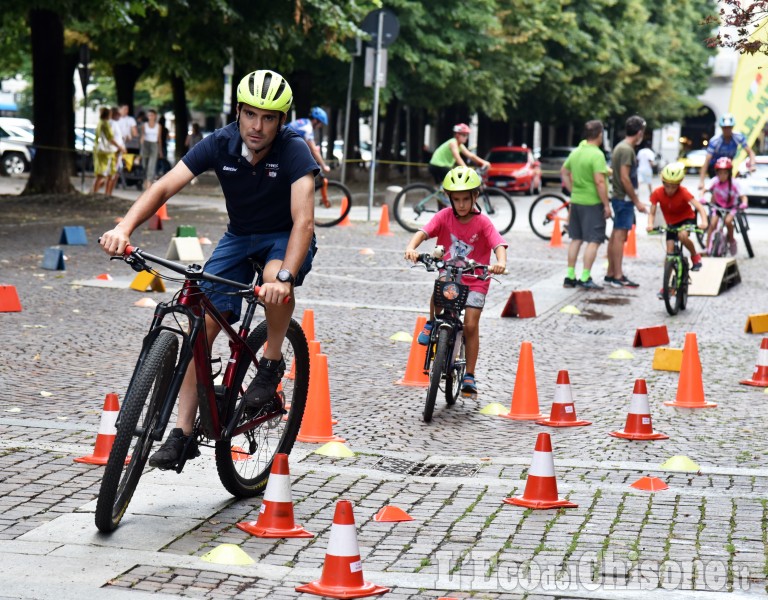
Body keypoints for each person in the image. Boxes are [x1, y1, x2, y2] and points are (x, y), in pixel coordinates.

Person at [99, 69, 318, 469]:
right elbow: (165, 185)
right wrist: (124, 227)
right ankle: (182, 433)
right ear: (238, 111)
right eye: (251, 114)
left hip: (283, 236)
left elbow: (303, 221)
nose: (258, 126)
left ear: (281, 120)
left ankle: (270, 362)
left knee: (273, 280)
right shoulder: (220, 142)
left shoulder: (294, 149)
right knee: (200, 324)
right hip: (239, 236)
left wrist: (285, 278)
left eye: (269, 118)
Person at [404, 166, 507, 397]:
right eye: (456, 199)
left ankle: (469, 375)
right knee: (440, 286)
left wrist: (500, 261)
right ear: (449, 198)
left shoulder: (483, 223)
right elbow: (423, 232)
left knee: (470, 323)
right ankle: (432, 322)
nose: (461, 204)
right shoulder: (444, 217)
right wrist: (412, 247)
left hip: (476, 278)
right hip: (450, 273)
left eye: (465, 199)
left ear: (475, 197)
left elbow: (498, 244)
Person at [560, 120, 612, 290]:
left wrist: (572, 189)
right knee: (594, 240)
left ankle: (570, 276)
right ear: (599, 135)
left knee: (576, 239)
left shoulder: (576, 152)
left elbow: (564, 171)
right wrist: (606, 205)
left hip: (576, 201)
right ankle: (585, 277)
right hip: (592, 202)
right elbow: (599, 181)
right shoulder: (597, 155)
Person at [647, 162, 708, 298]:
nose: (670, 190)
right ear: (663, 182)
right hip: (671, 223)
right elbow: (652, 212)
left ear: (679, 184)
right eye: (667, 186)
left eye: (674, 186)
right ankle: (666, 286)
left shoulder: (683, 192)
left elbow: (699, 207)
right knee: (669, 254)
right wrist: (650, 224)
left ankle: (695, 256)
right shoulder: (657, 193)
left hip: (686, 219)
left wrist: (704, 222)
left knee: (682, 236)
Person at [605, 115, 648, 288]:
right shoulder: (627, 150)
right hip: (623, 199)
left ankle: (611, 273)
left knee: (616, 235)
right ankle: (617, 275)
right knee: (619, 236)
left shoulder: (620, 147)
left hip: (619, 197)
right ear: (639, 133)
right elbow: (625, 177)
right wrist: (636, 201)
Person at [698, 113, 756, 190]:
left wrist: (752, 165)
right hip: (715, 168)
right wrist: (701, 181)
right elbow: (707, 161)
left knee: (731, 188)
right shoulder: (715, 140)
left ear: (732, 127)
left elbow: (750, 152)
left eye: (729, 127)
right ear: (721, 128)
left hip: (728, 167)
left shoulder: (738, 137)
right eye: (724, 128)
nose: (727, 130)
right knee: (716, 188)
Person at [703, 156, 747, 255]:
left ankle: (731, 240)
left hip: (731, 207)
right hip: (718, 206)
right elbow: (704, 190)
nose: (722, 175)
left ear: (729, 173)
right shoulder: (715, 181)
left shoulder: (735, 183)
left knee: (728, 222)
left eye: (725, 173)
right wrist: (702, 197)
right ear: (717, 172)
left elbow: (743, 196)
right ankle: (707, 247)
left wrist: (744, 203)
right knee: (712, 224)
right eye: (720, 173)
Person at [285, 107, 332, 173]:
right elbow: (314, 150)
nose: (320, 126)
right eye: (321, 123)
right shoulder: (308, 128)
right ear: (316, 120)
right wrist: (324, 166)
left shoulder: (304, 121)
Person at [92, 107, 125, 195]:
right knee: (104, 174)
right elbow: (110, 138)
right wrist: (120, 147)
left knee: (107, 174)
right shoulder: (106, 124)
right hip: (107, 152)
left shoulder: (101, 123)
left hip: (103, 151)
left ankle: (100, 193)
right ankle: (99, 192)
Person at [140, 109, 164, 189]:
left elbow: (159, 138)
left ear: (155, 116)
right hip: (146, 144)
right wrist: (141, 144)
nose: (150, 117)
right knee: (144, 164)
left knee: (151, 165)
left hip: (154, 145)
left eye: (152, 115)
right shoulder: (144, 125)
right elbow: (142, 136)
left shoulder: (158, 126)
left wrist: (160, 151)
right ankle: (145, 181)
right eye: (149, 115)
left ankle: (148, 185)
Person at [105, 106, 125, 197]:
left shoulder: (115, 123)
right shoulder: (111, 123)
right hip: (114, 151)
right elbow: (111, 138)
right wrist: (119, 147)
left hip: (118, 151)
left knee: (115, 174)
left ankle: (110, 193)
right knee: (112, 174)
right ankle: (107, 193)